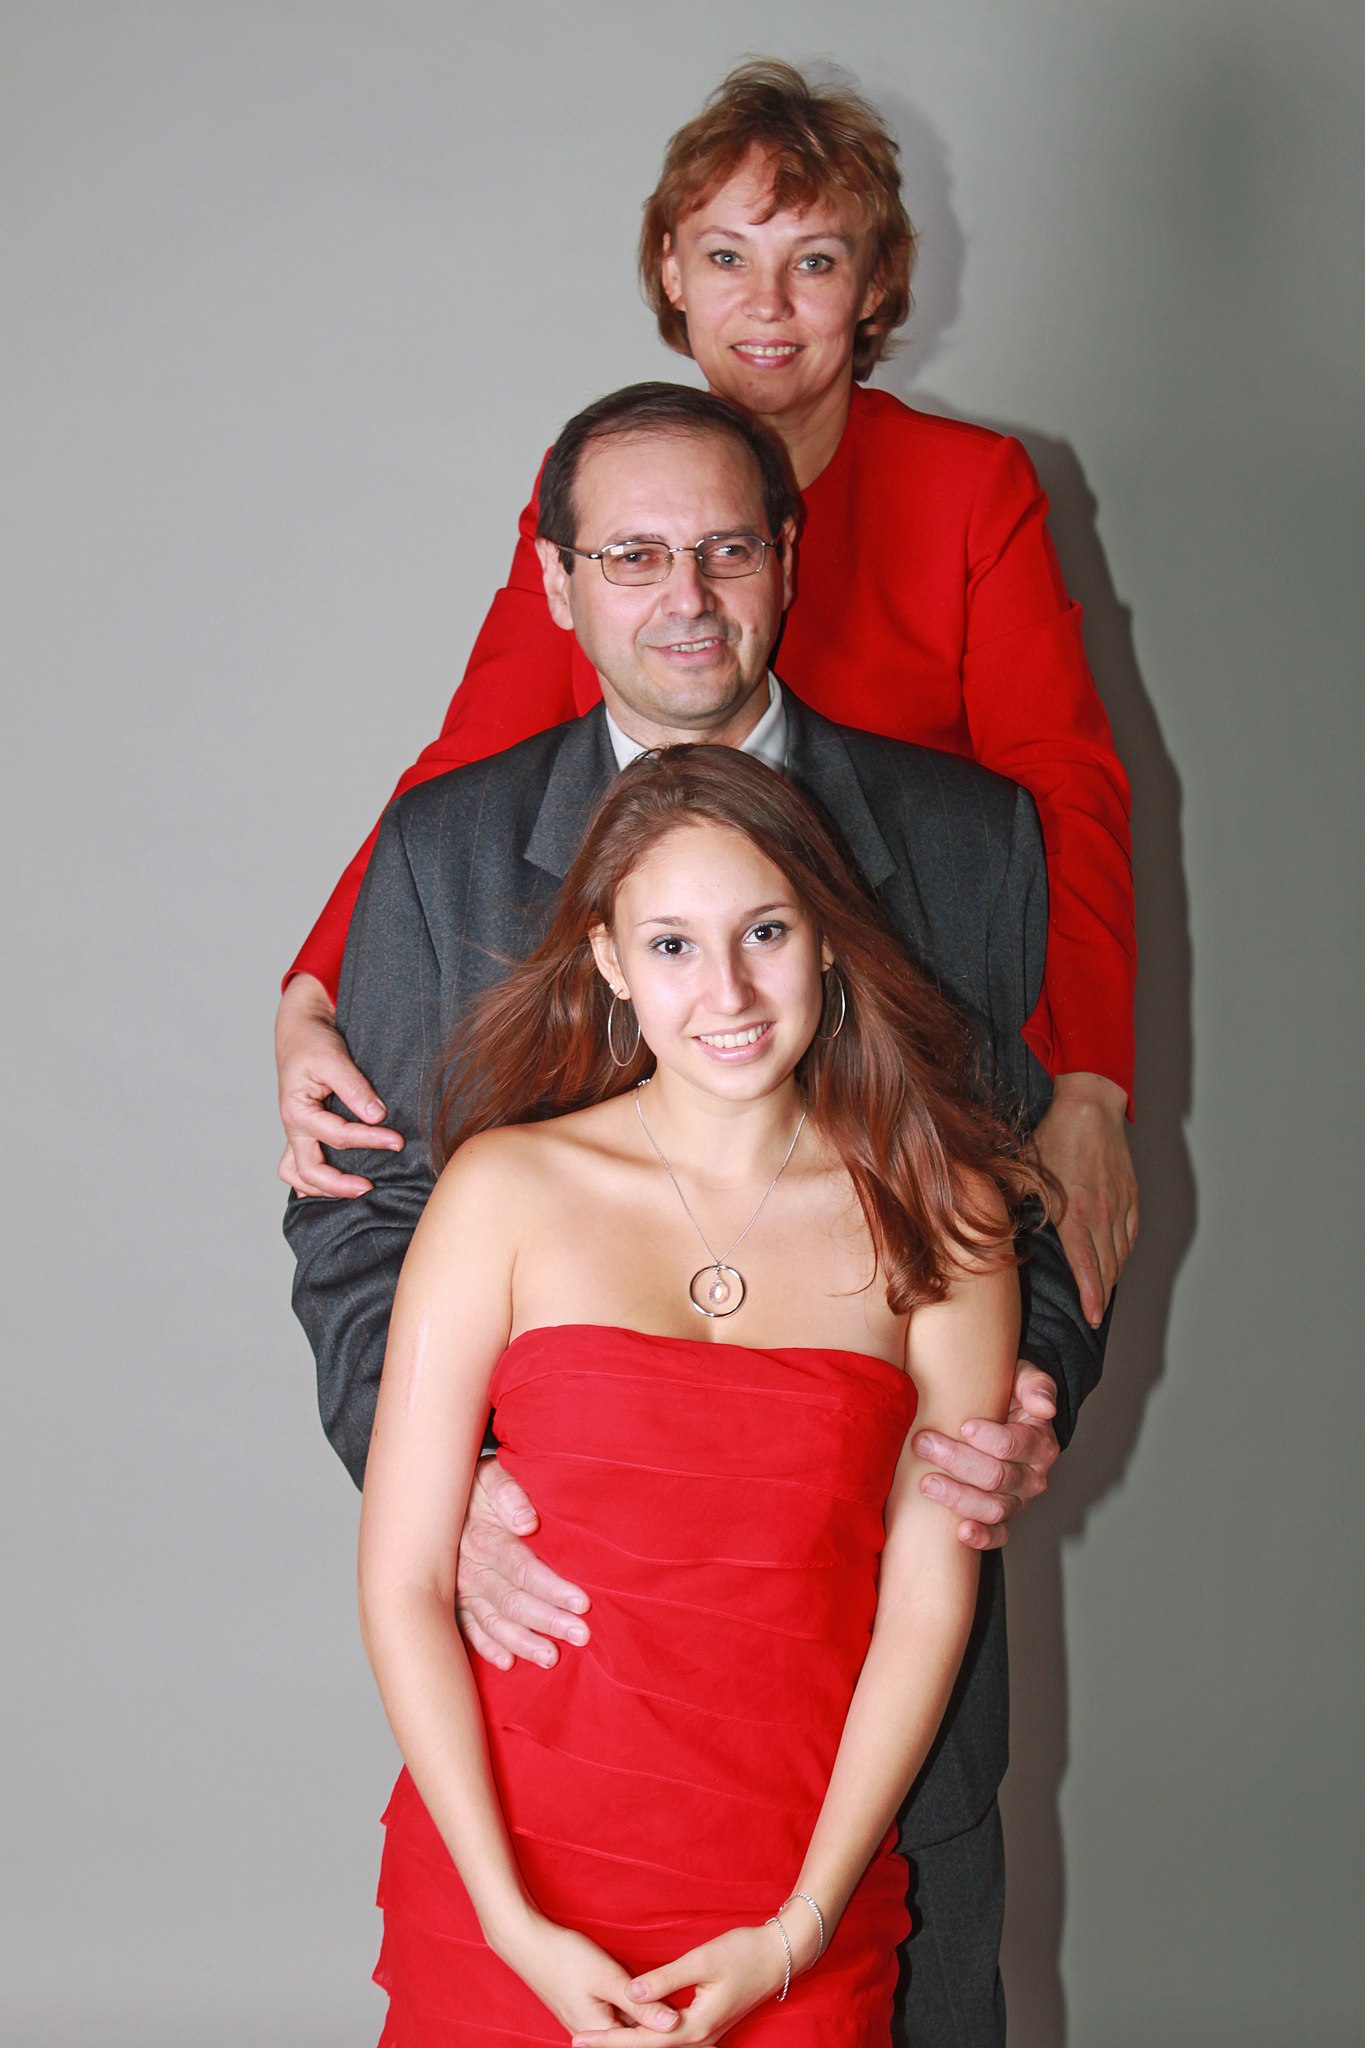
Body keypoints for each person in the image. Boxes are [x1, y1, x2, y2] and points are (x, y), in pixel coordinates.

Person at [286, 382, 1109, 2044]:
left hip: (856, 1746)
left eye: (728, 550)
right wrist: (449, 1485)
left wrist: (1025, 1398)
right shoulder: (442, 850)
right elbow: (363, 1224)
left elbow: (1030, 1197)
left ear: (788, 559)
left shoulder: (970, 842)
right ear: (559, 579)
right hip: (556, 1725)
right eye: (635, 555)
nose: (687, 595)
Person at [275, 58, 1138, 1331]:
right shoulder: (601, 487)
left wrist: (1091, 1082)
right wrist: (312, 990)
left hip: (890, 982)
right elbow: (469, 761)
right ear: (672, 276)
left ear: (876, 283)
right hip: (668, 1000)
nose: (767, 305)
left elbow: (1063, 788)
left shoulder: (971, 487)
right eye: (728, 257)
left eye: (815, 261)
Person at [359, 739, 1037, 2044]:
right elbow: (401, 1580)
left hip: (791, 1898)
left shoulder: (945, 1215)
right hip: (510, 1884)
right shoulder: (501, 1191)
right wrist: (509, 1920)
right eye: (671, 944)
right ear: (610, 960)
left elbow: (926, 1600)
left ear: (826, 938)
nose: (726, 990)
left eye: (765, 931)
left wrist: (798, 1930)